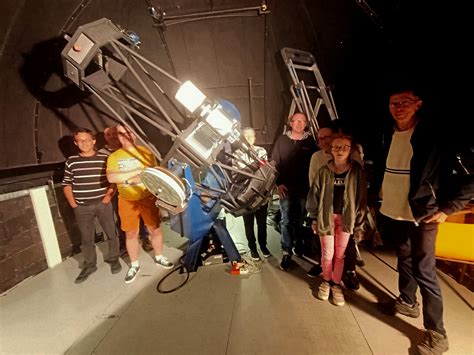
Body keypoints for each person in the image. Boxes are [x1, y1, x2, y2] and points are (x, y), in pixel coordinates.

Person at [373, 86, 473, 354]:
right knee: (404, 258)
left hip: (424, 213)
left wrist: (448, 208)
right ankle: (407, 301)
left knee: (424, 270)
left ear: (418, 104)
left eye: (405, 102)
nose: (399, 107)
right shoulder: (387, 133)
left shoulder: (436, 137)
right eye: (393, 102)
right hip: (395, 211)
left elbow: (470, 178)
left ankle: (437, 333)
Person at [106, 124, 174, 283]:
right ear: (119, 136)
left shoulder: (146, 153)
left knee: (154, 229)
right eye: (122, 134)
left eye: (128, 132)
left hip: (147, 197)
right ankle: (134, 265)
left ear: (134, 134)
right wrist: (137, 172)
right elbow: (111, 178)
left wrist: (125, 177)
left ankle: (159, 256)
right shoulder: (114, 157)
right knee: (131, 233)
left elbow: (152, 175)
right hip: (126, 199)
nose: (126, 136)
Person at [306, 132, 367, 306]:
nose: (340, 151)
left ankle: (335, 284)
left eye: (344, 147)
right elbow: (314, 195)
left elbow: (362, 198)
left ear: (350, 149)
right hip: (326, 218)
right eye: (336, 147)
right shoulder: (323, 171)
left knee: (340, 255)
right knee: (327, 254)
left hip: (347, 220)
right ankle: (326, 281)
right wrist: (314, 218)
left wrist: (360, 224)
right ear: (331, 149)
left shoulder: (356, 172)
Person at [62, 128, 121, 284]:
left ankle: (114, 258)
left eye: (87, 140)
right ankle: (90, 264)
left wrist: (107, 199)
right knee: (86, 238)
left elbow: (113, 180)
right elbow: (67, 184)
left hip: (102, 204)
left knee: (111, 233)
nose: (84, 143)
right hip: (82, 207)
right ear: (75, 143)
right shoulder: (71, 161)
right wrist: (74, 204)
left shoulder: (104, 158)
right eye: (80, 141)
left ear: (94, 141)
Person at [271, 112, 317, 270]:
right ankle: (286, 251)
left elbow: (315, 165)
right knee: (286, 220)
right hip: (286, 189)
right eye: (296, 121)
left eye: (302, 121)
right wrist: (278, 183)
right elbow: (274, 164)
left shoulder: (311, 142)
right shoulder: (282, 140)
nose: (299, 124)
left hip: (305, 189)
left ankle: (300, 245)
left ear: (306, 124)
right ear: (290, 123)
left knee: (302, 219)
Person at [99, 126, 153, 253]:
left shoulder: (128, 149)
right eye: (108, 135)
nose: (112, 136)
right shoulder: (102, 153)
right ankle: (125, 242)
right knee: (123, 218)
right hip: (115, 191)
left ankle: (145, 238)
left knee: (143, 216)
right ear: (105, 137)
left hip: (135, 190)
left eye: (114, 134)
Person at [233, 127, 271, 260]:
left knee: (262, 223)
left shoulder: (262, 151)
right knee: (248, 223)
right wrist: (255, 168)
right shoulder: (237, 154)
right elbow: (239, 175)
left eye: (251, 136)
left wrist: (255, 169)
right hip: (246, 195)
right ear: (242, 139)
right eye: (246, 136)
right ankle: (252, 248)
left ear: (255, 137)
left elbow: (265, 171)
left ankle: (263, 246)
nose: (249, 138)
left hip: (261, 195)